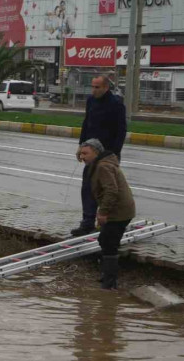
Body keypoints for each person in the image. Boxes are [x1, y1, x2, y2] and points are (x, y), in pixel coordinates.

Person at [72, 75, 127, 237]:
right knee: (87, 187)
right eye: (92, 87)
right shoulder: (91, 101)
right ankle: (87, 222)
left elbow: (121, 131)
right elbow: (86, 123)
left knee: (108, 189)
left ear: (105, 88)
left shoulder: (116, 104)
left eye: (97, 87)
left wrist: (115, 153)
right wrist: (81, 146)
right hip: (91, 153)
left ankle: (108, 222)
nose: (94, 90)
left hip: (108, 153)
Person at [78, 139, 135, 289]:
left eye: (85, 153)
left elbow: (111, 191)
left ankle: (110, 284)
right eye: (80, 153)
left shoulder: (103, 166)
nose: (82, 156)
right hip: (119, 210)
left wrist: (102, 213)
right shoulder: (100, 164)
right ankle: (107, 277)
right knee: (105, 240)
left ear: (96, 152)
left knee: (109, 243)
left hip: (119, 212)